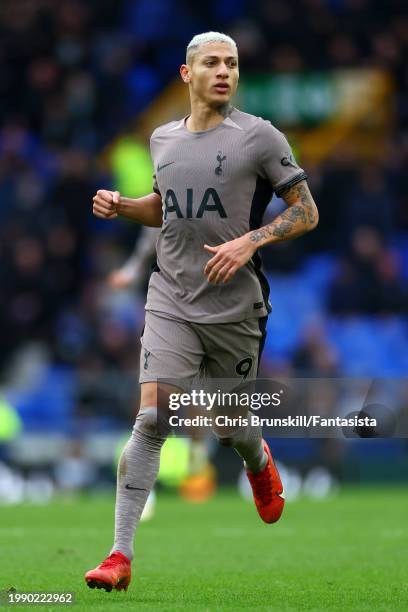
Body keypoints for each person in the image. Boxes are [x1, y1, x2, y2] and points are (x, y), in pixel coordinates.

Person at [85, 31, 318, 593]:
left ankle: (257, 458)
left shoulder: (259, 137)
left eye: (232, 64)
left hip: (236, 308)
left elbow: (306, 212)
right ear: (186, 74)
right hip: (171, 298)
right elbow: (166, 210)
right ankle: (119, 556)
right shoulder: (161, 138)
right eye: (211, 63)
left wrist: (251, 242)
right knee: (152, 421)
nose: (224, 72)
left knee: (228, 426)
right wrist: (123, 208)